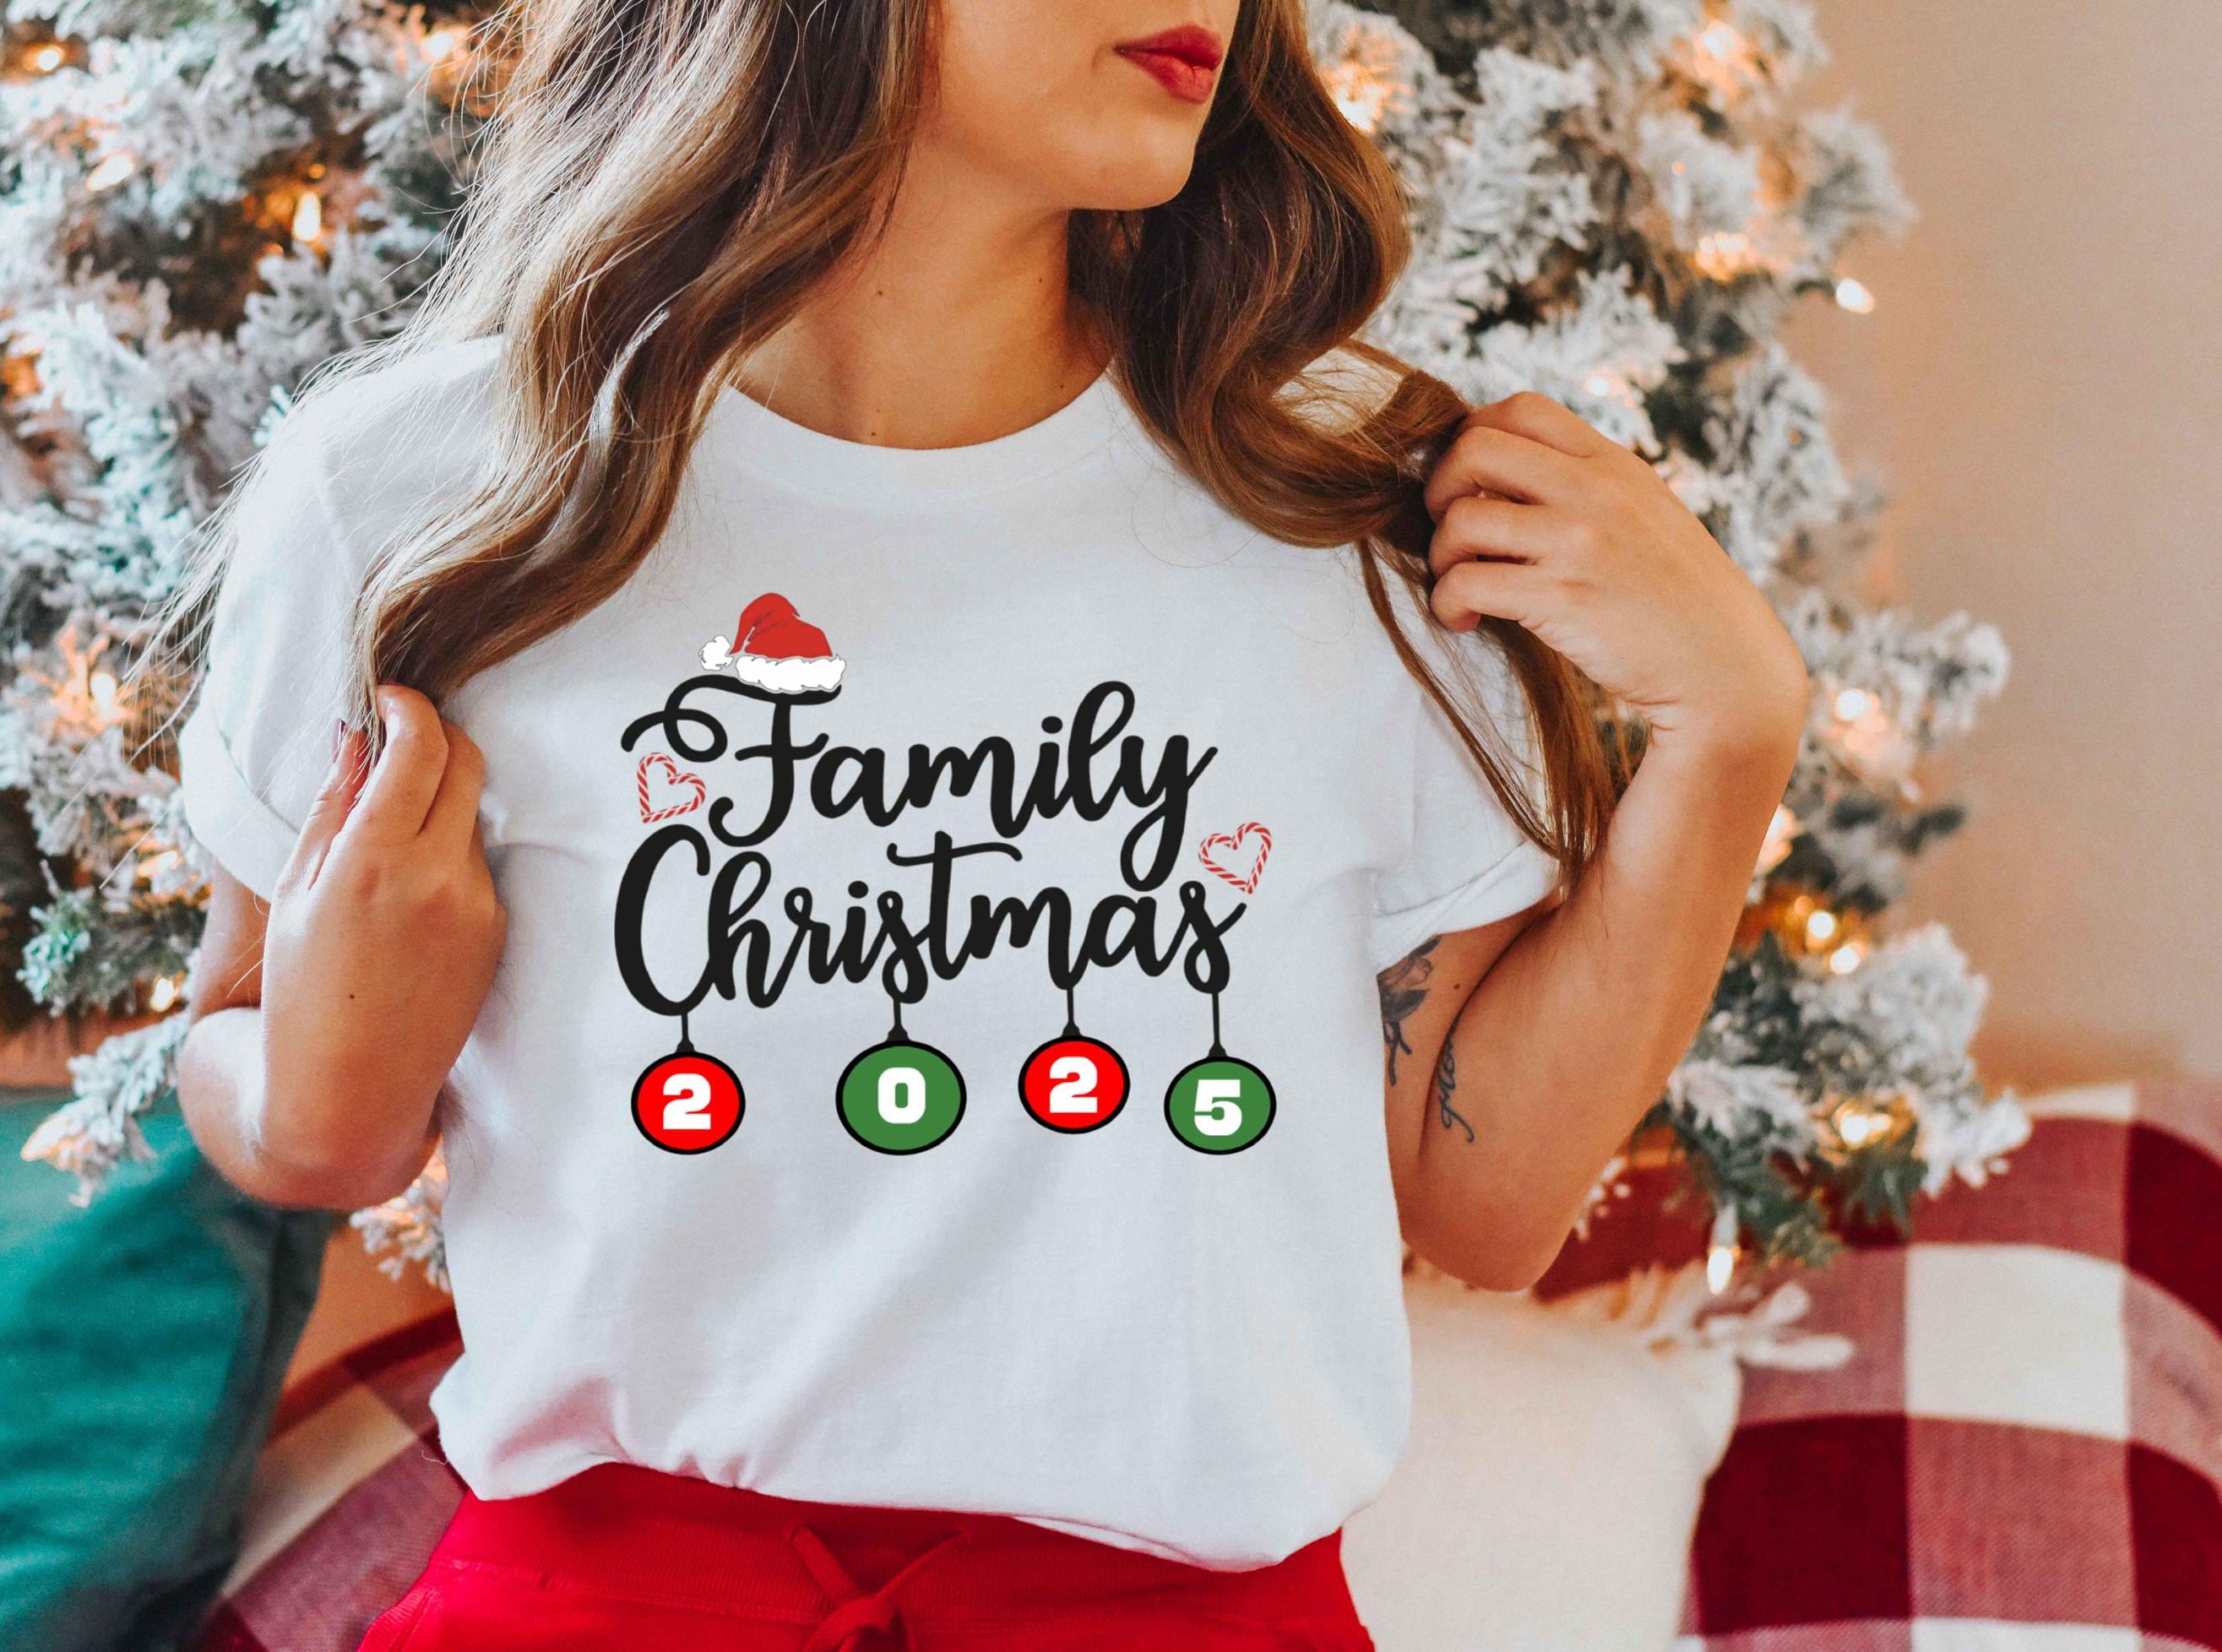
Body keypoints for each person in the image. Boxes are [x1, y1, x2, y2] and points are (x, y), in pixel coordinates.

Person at [163, 0, 1806, 1645]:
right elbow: (244, 1063)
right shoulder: (417, 496)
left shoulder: (1346, 512)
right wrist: (321, 1103)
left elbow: (1481, 1200)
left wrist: (1735, 729)